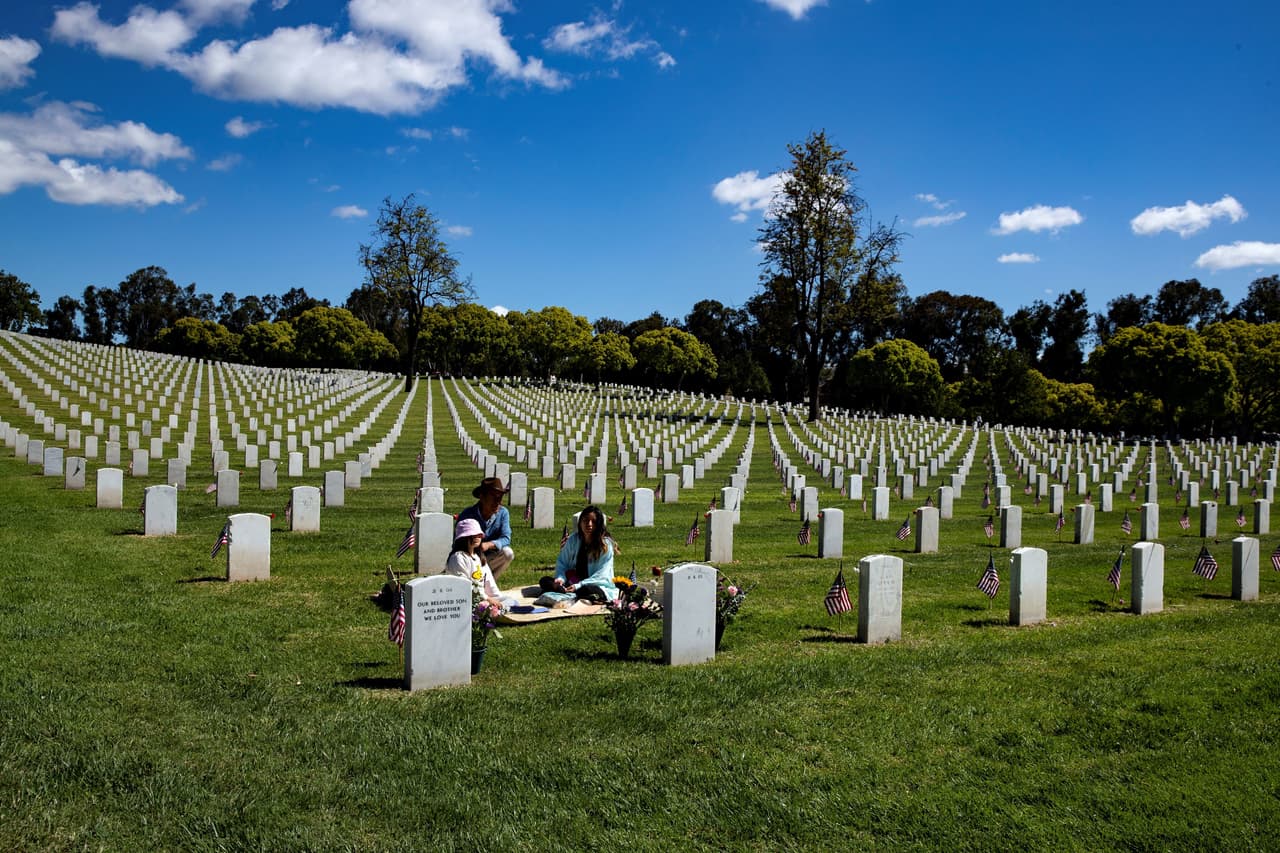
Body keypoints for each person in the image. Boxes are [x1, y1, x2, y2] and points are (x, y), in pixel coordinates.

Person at [540, 505, 618, 603]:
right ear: (580, 522)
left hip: (594, 584)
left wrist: (579, 585)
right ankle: (562, 589)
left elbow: (602, 575)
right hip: (572, 580)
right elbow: (562, 562)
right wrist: (560, 578)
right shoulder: (573, 540)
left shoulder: (605, 545)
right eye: (585, 520)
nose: (589, 524)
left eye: (593, 521)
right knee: (544, 581)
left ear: (598, 524)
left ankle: (567, 592)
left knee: (588, 590)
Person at [445, 518, 516, 609]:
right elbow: (464, 586)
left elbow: (489, 582)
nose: (477, 537)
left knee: (510, 601)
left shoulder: (478, 557)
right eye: (472, 535)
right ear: (463, 538)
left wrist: (495, 598)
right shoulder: (458, 558)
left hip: (483, 598)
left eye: (479, 534)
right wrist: (488, 599)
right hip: (465, 600)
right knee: (486, 607)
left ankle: (498, 610)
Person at [456, 476, 515, 579]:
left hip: (490, 556)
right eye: (493, 497)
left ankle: (490, 583)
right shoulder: (467, 515)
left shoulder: (503, 513)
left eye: (500, 497)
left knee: (507, 553)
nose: (498, 502)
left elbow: (506, 538)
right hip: (470, 558)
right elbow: (458, 543)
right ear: (482, 497)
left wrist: (489, 544)